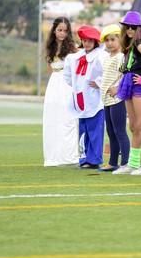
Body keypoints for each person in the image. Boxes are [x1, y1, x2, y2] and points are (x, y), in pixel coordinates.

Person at [113, 11, 141, 175]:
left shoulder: (139, 43)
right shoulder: (128, 46)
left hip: (138, 85)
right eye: (127, 27)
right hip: (128, 83)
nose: (130, 30)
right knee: (133, 126)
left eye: (134, 27)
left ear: (139, 28)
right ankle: (133, 163)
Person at [63, 25, 105, 169]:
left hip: (95, 99)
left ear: (95, 42)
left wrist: (99, 83)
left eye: (90, 41)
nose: (87, 43)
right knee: (83, 131)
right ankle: (84, 158)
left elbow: (108, 72)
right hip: (80, 98)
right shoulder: (75, 58)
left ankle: (94, 160)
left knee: (95, 131)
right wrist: (76, 86)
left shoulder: (101, 56)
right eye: (84, 40)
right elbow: (67, 76)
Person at [43, 17, 79, 166]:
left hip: (67, 83)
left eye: (65, 30)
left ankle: (69, 155)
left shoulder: (73, 48)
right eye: (59, 30)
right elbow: (49, 67)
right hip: (54, 84)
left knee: (68, 119)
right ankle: (53, 156)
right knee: (53, 119)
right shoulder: (49, 47)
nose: (62, 33)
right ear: (54, 30)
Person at [98, 24, 129, 172]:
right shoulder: (107, 57)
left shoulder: (120, 57)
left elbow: (125, 75)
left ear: (120, 39)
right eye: (107, 40)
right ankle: (112, 162)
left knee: (120, 131)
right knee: (110, 132)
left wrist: (118, 88)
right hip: (107, 100)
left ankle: (125, 163)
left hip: (117, 100)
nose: (109, 43)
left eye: (113, 39)